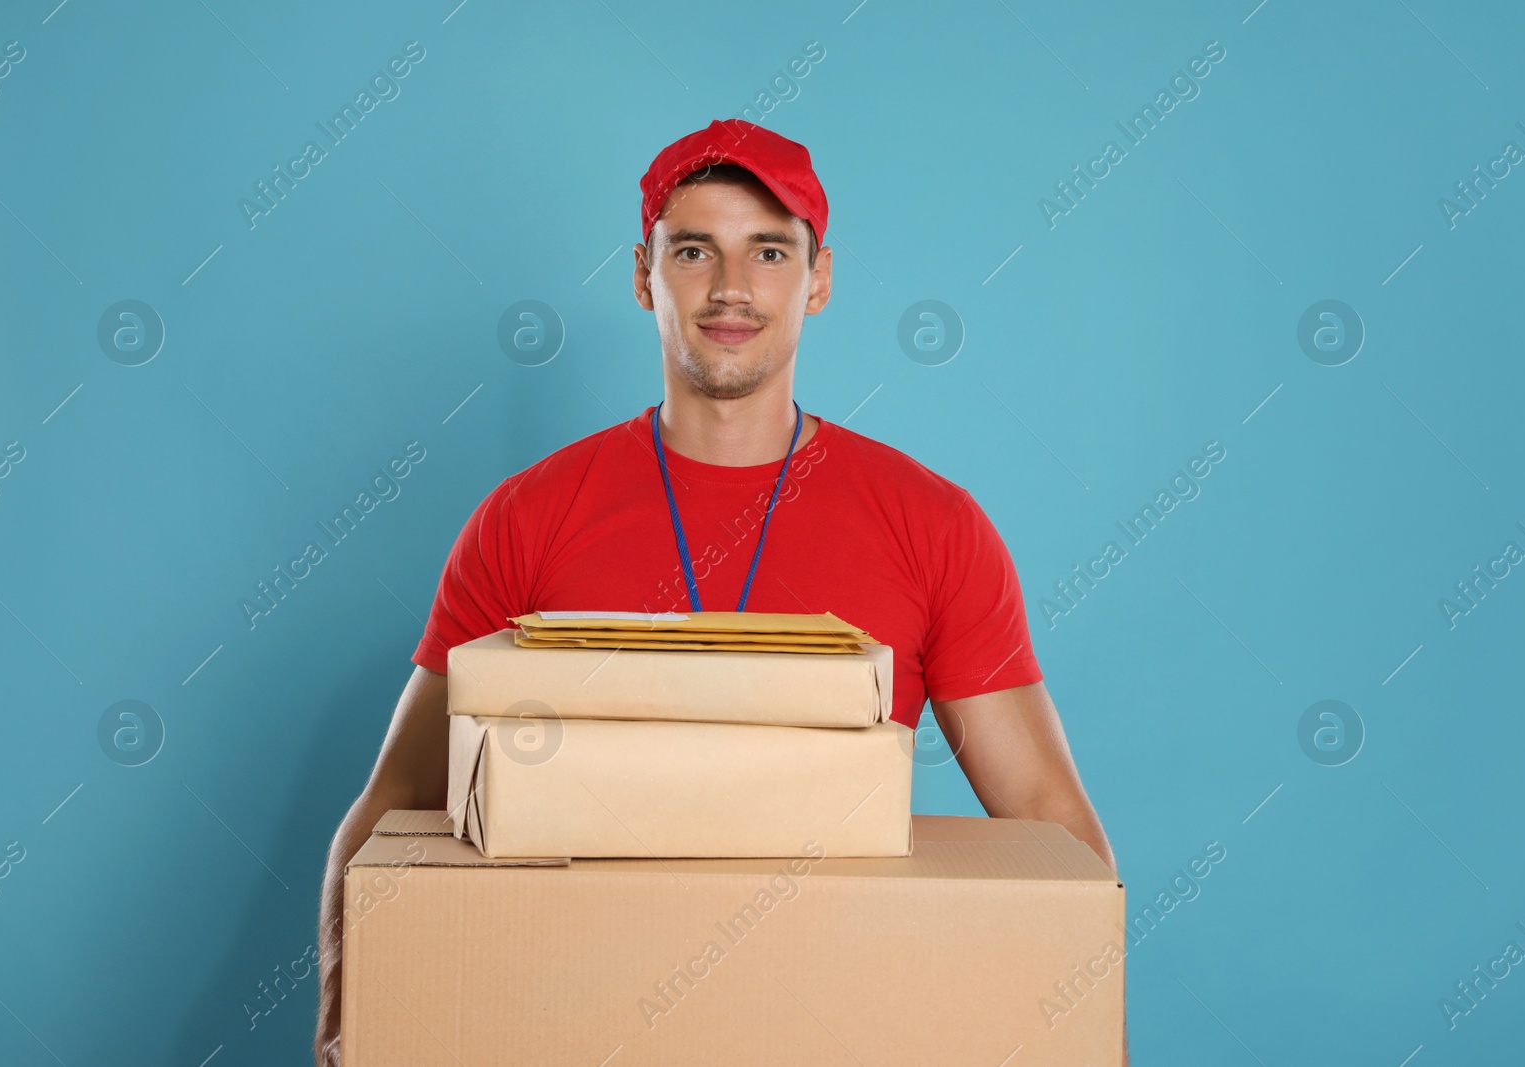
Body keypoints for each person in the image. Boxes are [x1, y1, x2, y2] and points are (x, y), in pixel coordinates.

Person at [314, 117, 1121, 1065]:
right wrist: (342, 1014)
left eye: (769, 251)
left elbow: (1047, 821)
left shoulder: (932, 525)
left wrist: (1089, 1032)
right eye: (693, 249)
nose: (732, 288)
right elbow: (393, 806)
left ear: (818, 280)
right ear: (642, 275)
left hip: (837, 1022)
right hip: (579, 1023)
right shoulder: (528, 518)